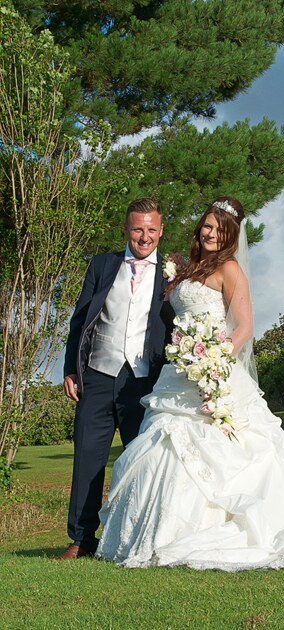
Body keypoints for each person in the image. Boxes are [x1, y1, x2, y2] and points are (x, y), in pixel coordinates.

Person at [95, 196, 284, 570]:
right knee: (162, 447)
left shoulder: (230, 269)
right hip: (177, 374)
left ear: (231, 236)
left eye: (219, 230)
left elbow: (244, 328)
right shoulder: (188, 268)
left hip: (212, 373)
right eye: (207, 226)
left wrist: (213, 364)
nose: (210, 233)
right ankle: (153, 535)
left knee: (228, 454)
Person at [54, 198, 174, 560]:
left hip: (144, 382)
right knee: (88, 459)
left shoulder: (171, 273)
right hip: (97, 375)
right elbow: (79, 321)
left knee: (141, 462)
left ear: (161, 230)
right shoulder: (102, 265)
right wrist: (70, 369)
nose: (144, 236)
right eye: (138, 228)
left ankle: (134, 539)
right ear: (126, 229)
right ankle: (81, 540)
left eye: (152, 229)